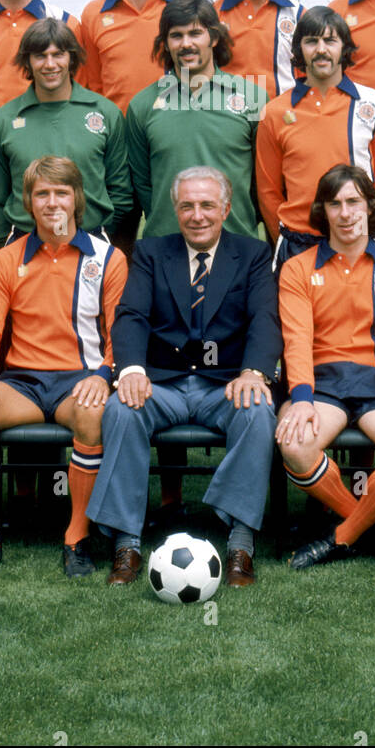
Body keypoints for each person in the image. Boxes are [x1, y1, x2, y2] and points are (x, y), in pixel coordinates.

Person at [88, 167, 281, 586]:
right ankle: (126, 542)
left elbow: (264, 319)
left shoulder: (251, 254)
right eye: (187, 206)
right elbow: (132, 315)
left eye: (207, 205)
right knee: (122, 408)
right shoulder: (152, 252)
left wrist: (253, 372)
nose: (197, 215)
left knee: (258, 409)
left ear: (226, 209)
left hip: (225, 384)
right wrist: (133, 370)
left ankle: (241, 542)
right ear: (175, 211)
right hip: (164, 383)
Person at [0, 157, 128, 578]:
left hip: (80, 382)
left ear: (77, 199)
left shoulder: (108, 258)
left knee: (93, 414)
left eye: (61, 193)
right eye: (42, 194)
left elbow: (120, 336)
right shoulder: (6, 259)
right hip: (24, 383)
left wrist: (104, 377)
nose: (52, 203)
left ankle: (77, 537)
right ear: (29, 203)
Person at [275, 165, 375, 568]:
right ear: (322, 211)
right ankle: (370, 526)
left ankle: (342, 537)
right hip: (322, 385)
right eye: (335, 203)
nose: (345, 213)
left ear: (370, 207)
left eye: (354, 202)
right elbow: (297, 340)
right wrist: (301, 399)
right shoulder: (298, 268)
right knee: (294, 442)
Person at [256, 6, 375, 268]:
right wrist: (284, 236)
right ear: (298, 50)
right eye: (311, 41)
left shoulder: (374, 105)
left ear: (344, 48)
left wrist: (362, 229)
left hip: (359, 239)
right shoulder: (275, 112)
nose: (321, 49)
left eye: (330, 41)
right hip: (298, 242)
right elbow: (268, 189)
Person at [125, 0, 266, 239]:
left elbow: (262, 182)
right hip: (166, 247)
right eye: (176, 35)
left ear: (213, 37)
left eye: (195, 33)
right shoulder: (142, 105)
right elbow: (143, 186)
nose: (186, 44)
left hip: (237, 247)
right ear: (165, 43)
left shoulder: (253, 97)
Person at [0, 17, 131, 245]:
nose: (50, 64)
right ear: (28, 61)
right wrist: (7, 243)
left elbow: (120, 189)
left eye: (58, 54)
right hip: (26, 242)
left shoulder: (106, 113)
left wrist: (101, 231)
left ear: (71, 58)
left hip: (90, 239)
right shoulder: (2, 121)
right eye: (40, 56)